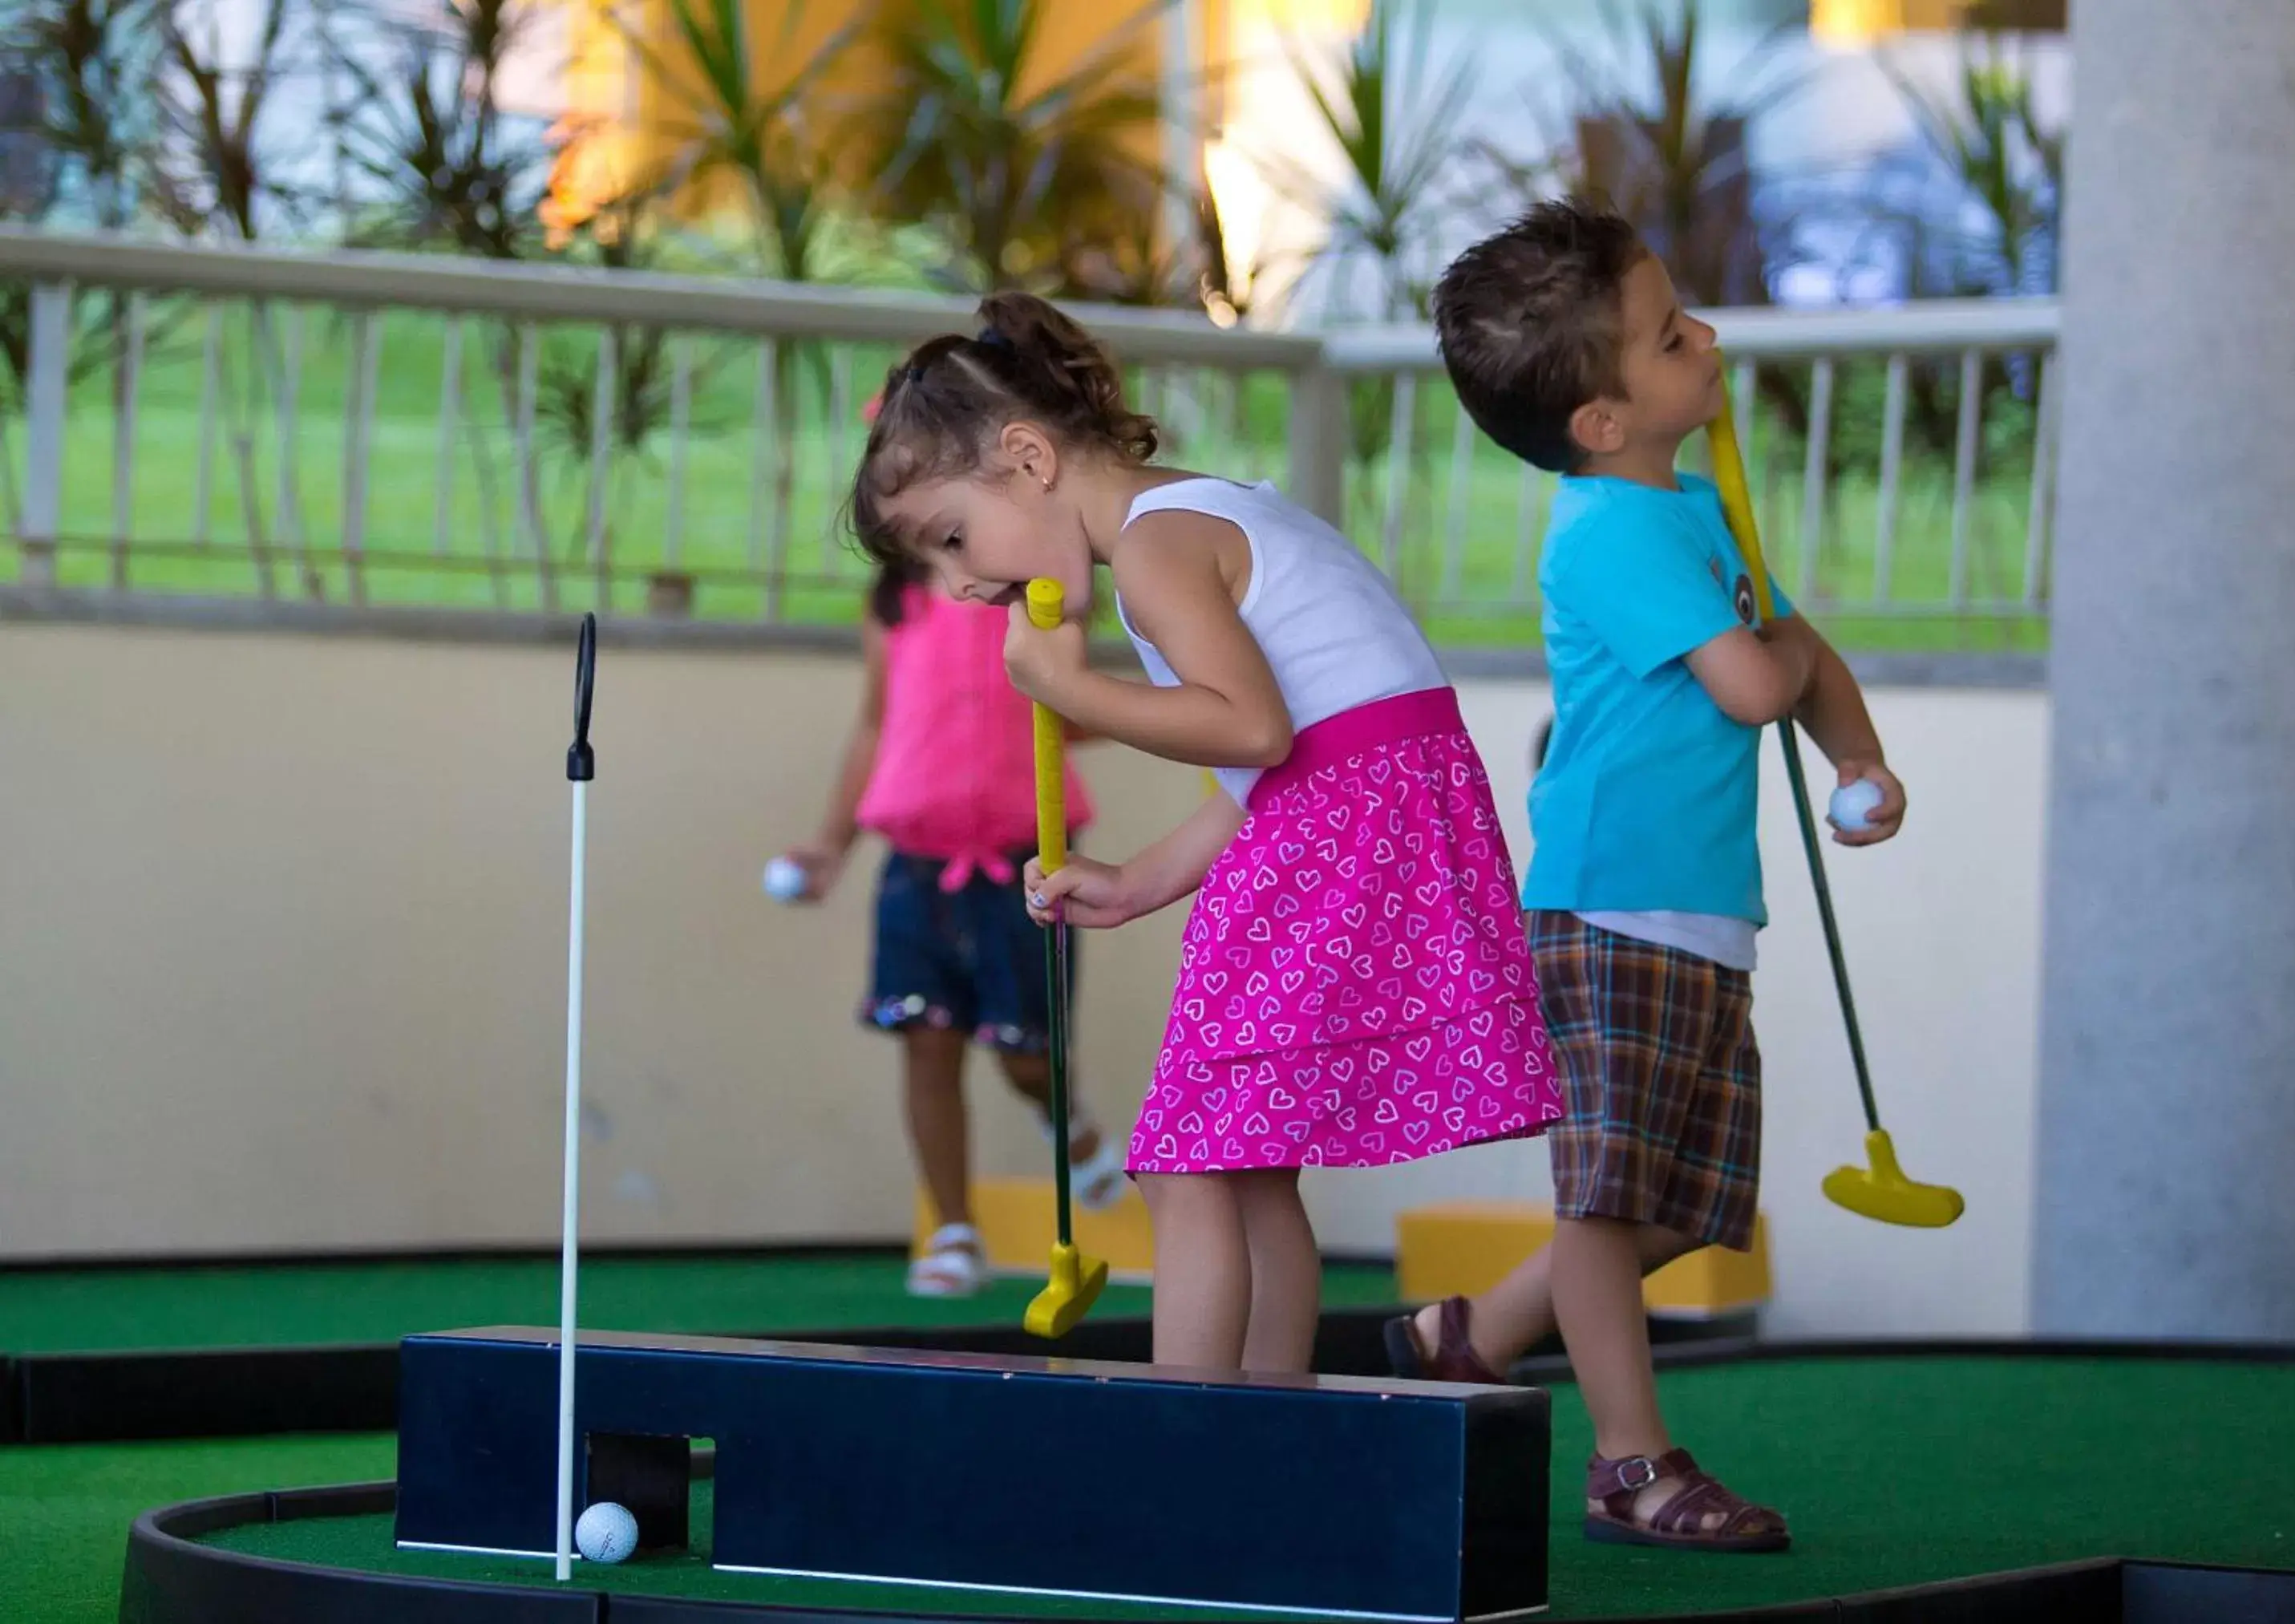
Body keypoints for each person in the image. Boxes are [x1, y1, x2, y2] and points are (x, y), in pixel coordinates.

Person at [845, 291, 1563, 1374]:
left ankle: (1189, 1442)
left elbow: (1252, 730)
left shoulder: (1154, 548)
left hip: (1342, 833)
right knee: (1245, 1163)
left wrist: (1076, 694)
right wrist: (1135, 881)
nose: (961, 583)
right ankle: (1271, 1425)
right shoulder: (1196, 514)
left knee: (1186, 1164)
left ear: (1028, 457)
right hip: (1356, 819)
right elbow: (1268, 766)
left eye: (952, 537)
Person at [1398, 198, 1910, 1553]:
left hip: (1692, 914)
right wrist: (1789, 662)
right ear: (1600, 422)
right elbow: (1756, 678)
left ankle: (1473, 1332)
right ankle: (1631, 1464)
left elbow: (1799, 656)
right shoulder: (1611, 535)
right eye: (1668, 333)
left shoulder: (1685, 506)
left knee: (1686, 1207)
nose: (1706, 337)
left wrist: (1859, 759)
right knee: (1607, 1198)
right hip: (1607, 904)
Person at [779, 557, 1127, 1298]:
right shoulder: (894, 603)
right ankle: (954, 1230)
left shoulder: (1038, 597)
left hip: (1023, 864)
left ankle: (1068, 1120)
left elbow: (1076, 713)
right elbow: (876, 723)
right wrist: (831, 845)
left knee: (1027, 1057)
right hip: (917, 865)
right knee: (926, 1043)